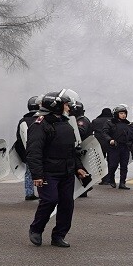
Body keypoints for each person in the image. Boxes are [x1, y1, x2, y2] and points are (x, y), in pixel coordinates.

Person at [28, 90, 89, 247]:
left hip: (67, 171)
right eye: (66, 104)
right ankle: (36, 229)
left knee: (67, 204)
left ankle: (59, 235)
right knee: (49, 200)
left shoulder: (66, 123)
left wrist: (79, 168)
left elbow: (71, 150)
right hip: (49, 172)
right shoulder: (40, 125)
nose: (69, 108)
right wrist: (37, 175)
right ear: (56, 106)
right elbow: (34, 152)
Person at [13, 96, 41, 201]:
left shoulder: (23, 121)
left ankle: (29, 193)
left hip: (28, 151)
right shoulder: (41, 119)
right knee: (41, 171)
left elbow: (20, 137)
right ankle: (42, 192)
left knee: (29, 172)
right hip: (39, 151)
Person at [102, 104, 131, 189]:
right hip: (114, 147)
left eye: (125, 113)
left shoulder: (128, 124)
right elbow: (104, 132)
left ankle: (122, 183)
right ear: (116, 114)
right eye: (121, 113)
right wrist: (110, 140)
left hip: (125, 147)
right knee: (113, 165)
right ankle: (111, 179)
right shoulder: (110, 123)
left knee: (124, 166)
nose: (123, 115)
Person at [70, 101, 94, 198]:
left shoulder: (81, 120)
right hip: (80, 146)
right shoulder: (77, 119)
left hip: (82, 147)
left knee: (80, 168)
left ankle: (85, 186)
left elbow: (81, 131)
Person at [92, 107, 113, 185]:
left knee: (100, 162)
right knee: (111, 162)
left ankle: (104, 179)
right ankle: (110, 178)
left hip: (99, 144)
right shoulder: (112, 120)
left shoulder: (96, 121)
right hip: (110, 143)